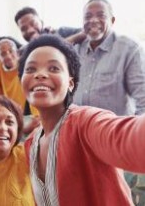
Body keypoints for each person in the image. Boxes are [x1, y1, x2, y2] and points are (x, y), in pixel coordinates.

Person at [18, 34, 145, 205]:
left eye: (54, 68)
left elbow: (129, 138)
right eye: (31, 69)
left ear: (70, 83)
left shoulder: (86, 122)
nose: (40, 74)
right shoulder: (30, 144)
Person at [73, 0, 145, 205]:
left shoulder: (129, 48)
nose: (93, 20)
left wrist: (133, 149)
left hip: (113, 143)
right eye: (88, 16)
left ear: (112, 20)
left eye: (100, 15)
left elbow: (143, 101)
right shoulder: (77, 49)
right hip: (80, 141)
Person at [0, 38, 40, 134]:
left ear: (17, 53)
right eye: (3, 54)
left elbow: (34, 91)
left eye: (11, 51)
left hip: (30, 108)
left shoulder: (26, 66)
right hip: (12, 111)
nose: (8, 56)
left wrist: (37, 117)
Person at [14, 6, 85, 44]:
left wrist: (61, 43)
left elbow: (86, 32)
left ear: (41, 22)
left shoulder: (61, 32)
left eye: (33, 23)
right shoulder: (25, 51)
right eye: (23, 29)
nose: (30, 30)